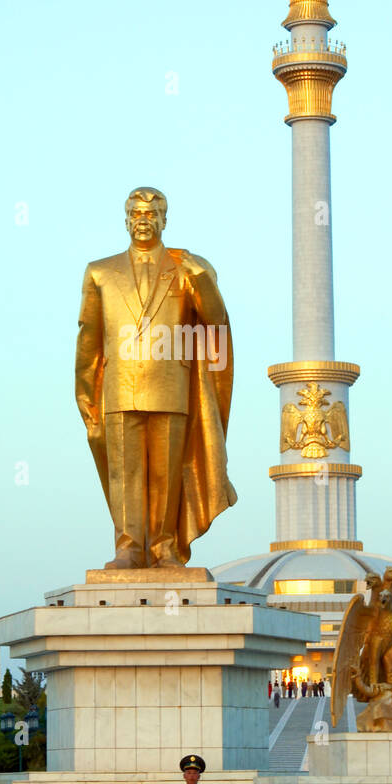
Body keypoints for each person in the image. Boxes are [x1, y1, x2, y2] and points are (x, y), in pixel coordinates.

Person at [75, 187, 236, 568]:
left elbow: (216, 324)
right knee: (125, 473)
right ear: (126, 218)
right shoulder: (100, 271)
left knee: (167, 475)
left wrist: (202, 279)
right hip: (117, 388)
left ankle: (165, 548)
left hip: (171, 386)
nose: (143, 220)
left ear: (165, 220)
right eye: (136, 213)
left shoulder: (187, 268)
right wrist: (85, 394)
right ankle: (128, 547)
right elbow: (88, 337)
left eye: (151, 214)